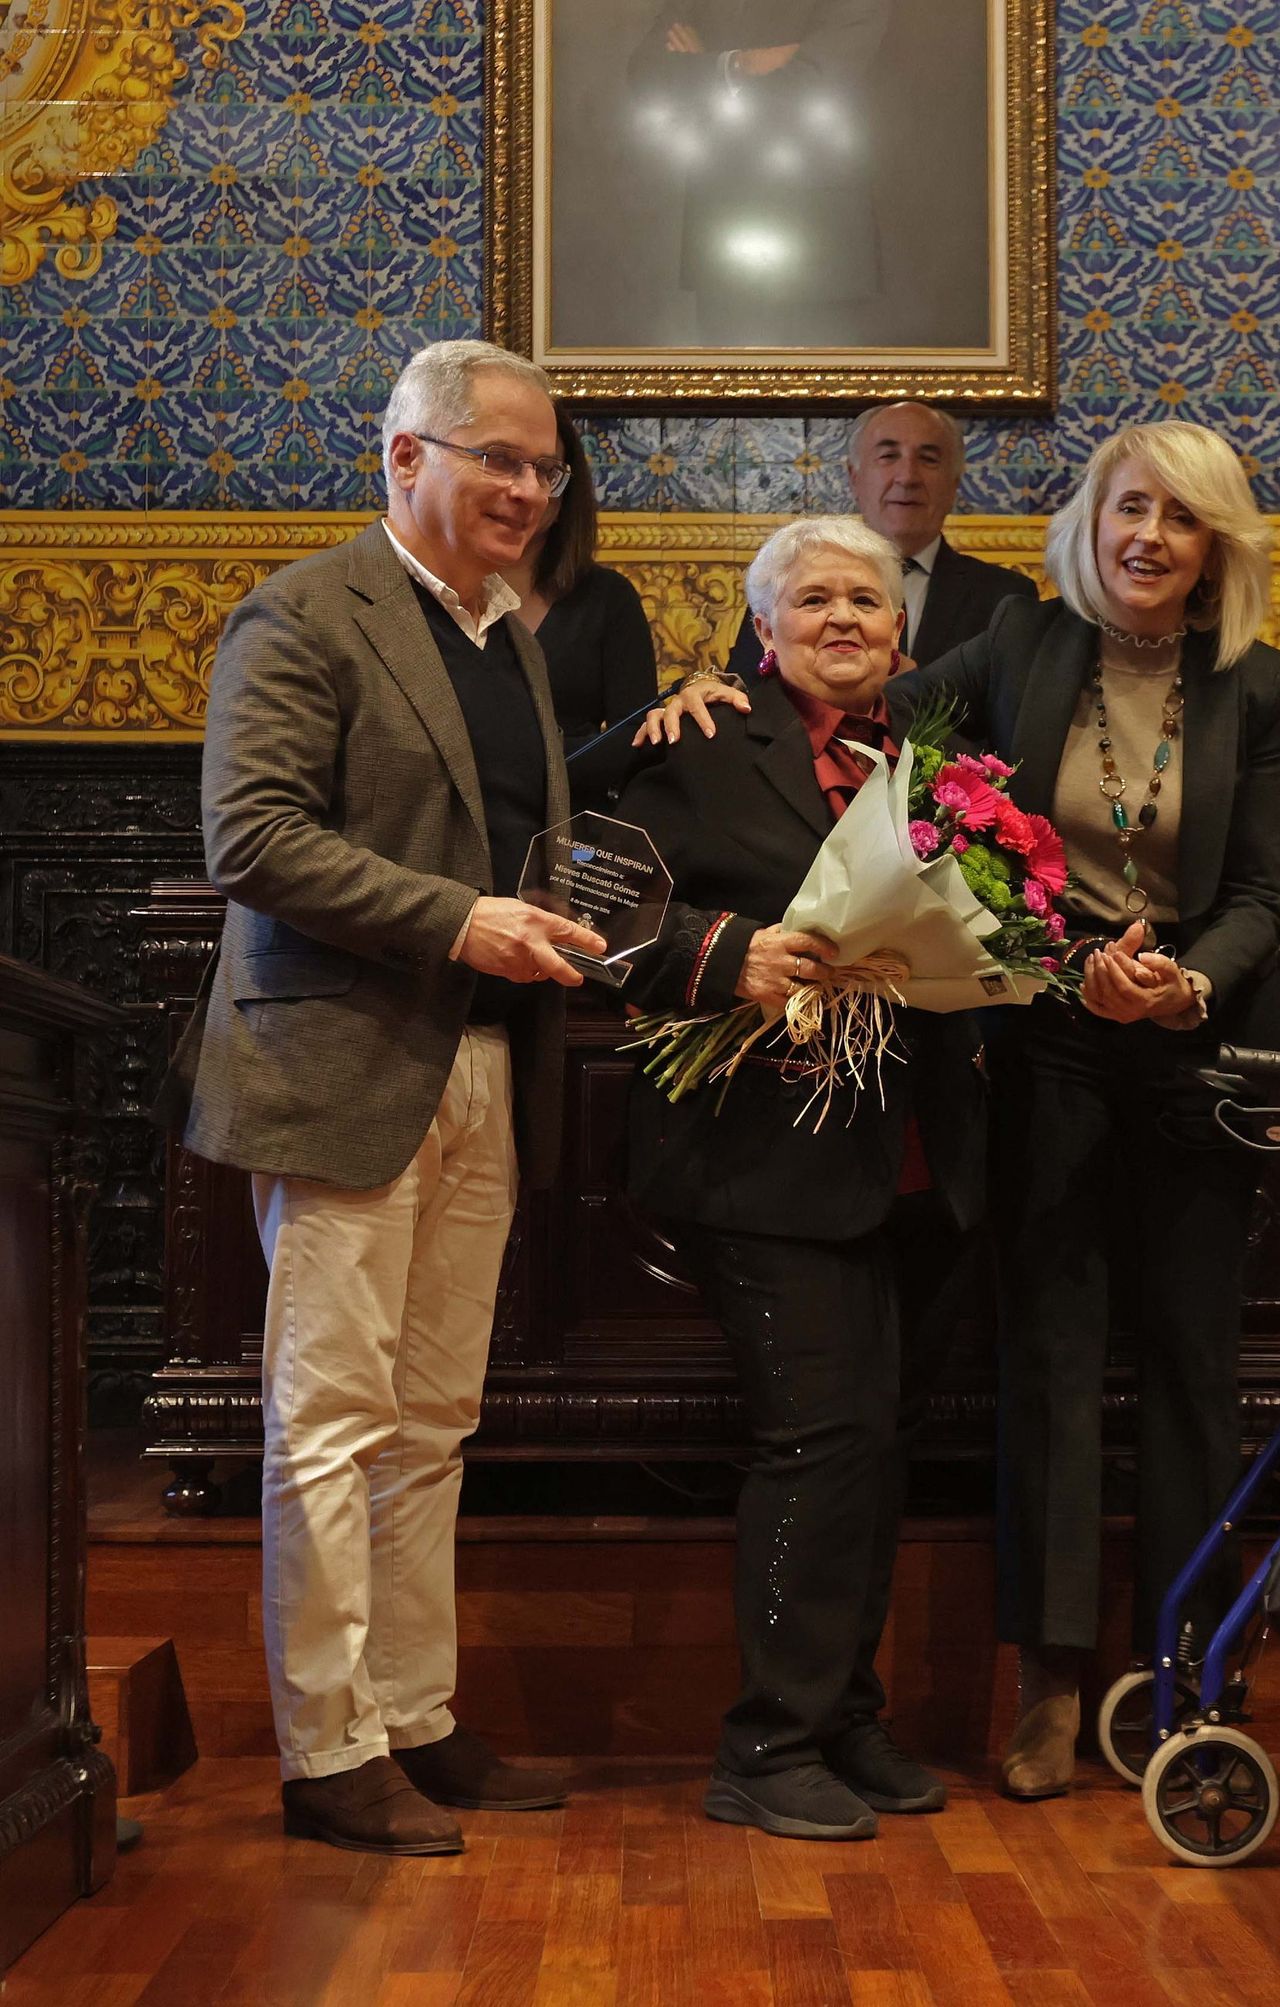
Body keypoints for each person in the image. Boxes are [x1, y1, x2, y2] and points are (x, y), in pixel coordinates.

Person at [652, 420, 1280, 1801]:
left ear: (1215, 547)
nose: (1149, 537)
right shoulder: (1018, 646)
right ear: (1093, 518)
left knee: (1193, 1372)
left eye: (1181, 520)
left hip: (1197, 1051)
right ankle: (1049, 1675)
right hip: (1053, 1048)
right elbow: (837, 679)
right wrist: (699, 682)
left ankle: (1186, 1674)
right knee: (1051, 1361)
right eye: (1130, 507)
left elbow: (1261, 893)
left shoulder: (1260, 684)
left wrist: (1182, 982)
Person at [156, 339, 607, 1857]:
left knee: (434, 1418)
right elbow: (253, 836)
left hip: (483, 1060)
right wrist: (463, 918)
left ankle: (417, 1711)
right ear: (403, 454)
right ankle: (325, 1743)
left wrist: (569, 917)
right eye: (500, 457)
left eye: (546, 466)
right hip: (342, 1065)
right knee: (330, 1420)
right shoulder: (303, 610)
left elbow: (507, 841)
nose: (531, 490)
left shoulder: (512, 637)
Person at [614, 515, 986, 1841]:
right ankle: (765, 1742)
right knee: (820, 1438)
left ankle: (843, 1715)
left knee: (876, 1449)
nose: (843, 618)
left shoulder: (937, 762)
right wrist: (730, 953)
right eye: (813, 599)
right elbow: (597, 900)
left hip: (915, 1158)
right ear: (763, 629)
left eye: (867, 602)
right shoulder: (702, 738)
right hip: (755, 1155)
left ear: (902, 632)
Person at [628, 4, 893, 346]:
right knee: (724, 391)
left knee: (819, 392)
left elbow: (812, 82)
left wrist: (707, 67)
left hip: (822, 247)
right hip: (720, 235)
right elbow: (645, 74)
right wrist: (740, 64)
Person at [720, 403, 1037, 679]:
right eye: (888, 456)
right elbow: (744, 683)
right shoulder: (787, 583)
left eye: (928, 459)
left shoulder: (1005, 597)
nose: (908, 477)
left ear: (954, 482)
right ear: (854, 477)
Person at [502, 404, 659, 808]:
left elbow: (634, 737)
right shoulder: (447, 592)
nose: (530, 489)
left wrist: (513, 766)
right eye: (506, 464)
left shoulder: (609, 597)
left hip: (575, 829)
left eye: (548, 471)